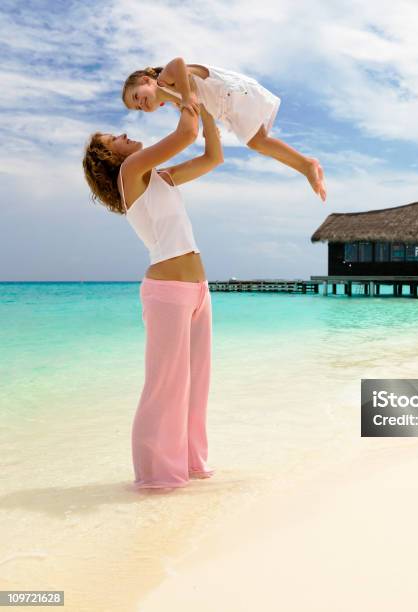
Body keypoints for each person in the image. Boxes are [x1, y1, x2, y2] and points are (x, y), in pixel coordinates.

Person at [82, 99, 222, 491]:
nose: (125, 136)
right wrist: (185, 95)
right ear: (110, 158)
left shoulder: (160, 177)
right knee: (164, 386)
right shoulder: (131, 172)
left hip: (198, 291)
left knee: (196, 383)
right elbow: (186, 134)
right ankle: (155, 476)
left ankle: (190, 464)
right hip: (167, 293)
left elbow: (213, 156)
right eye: (116, 139)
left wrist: (208, 109)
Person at [121, 57, 327, 202]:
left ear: (146, 80)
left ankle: (306, 165)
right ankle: (306, 164)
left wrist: (186, 96)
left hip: (230, 93)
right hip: (225, 107)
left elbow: (179, 64)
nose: (141, 104)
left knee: (258, 141)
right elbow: (202, 105)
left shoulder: (165, 79)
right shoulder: (177, 102)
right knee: (258, 142)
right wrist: (207, 126)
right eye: (138, 107)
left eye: (136, 96)